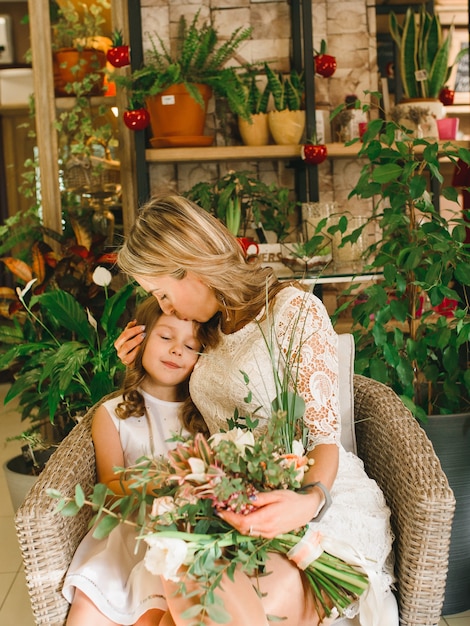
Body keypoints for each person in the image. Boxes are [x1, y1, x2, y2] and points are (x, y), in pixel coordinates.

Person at [115, 194, 399, 626]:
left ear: (189, 267)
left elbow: (325, 440)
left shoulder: (293, 311)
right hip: (234, 500)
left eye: (163, 294)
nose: (165, 308)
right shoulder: (204, 330)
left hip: (317, 494)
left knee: (211, 598)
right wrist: (140, 364)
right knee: (177, 576)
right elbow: (179, 409)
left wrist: (307, 500)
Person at [62, 296, 212, 626]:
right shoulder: (113, 414)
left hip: (184, 534)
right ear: (138, 339)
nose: (177, 351)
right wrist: (159, 482)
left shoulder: (202, 415)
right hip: (132, 530)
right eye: (166, 337)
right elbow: (111, 490)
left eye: (191, 345)